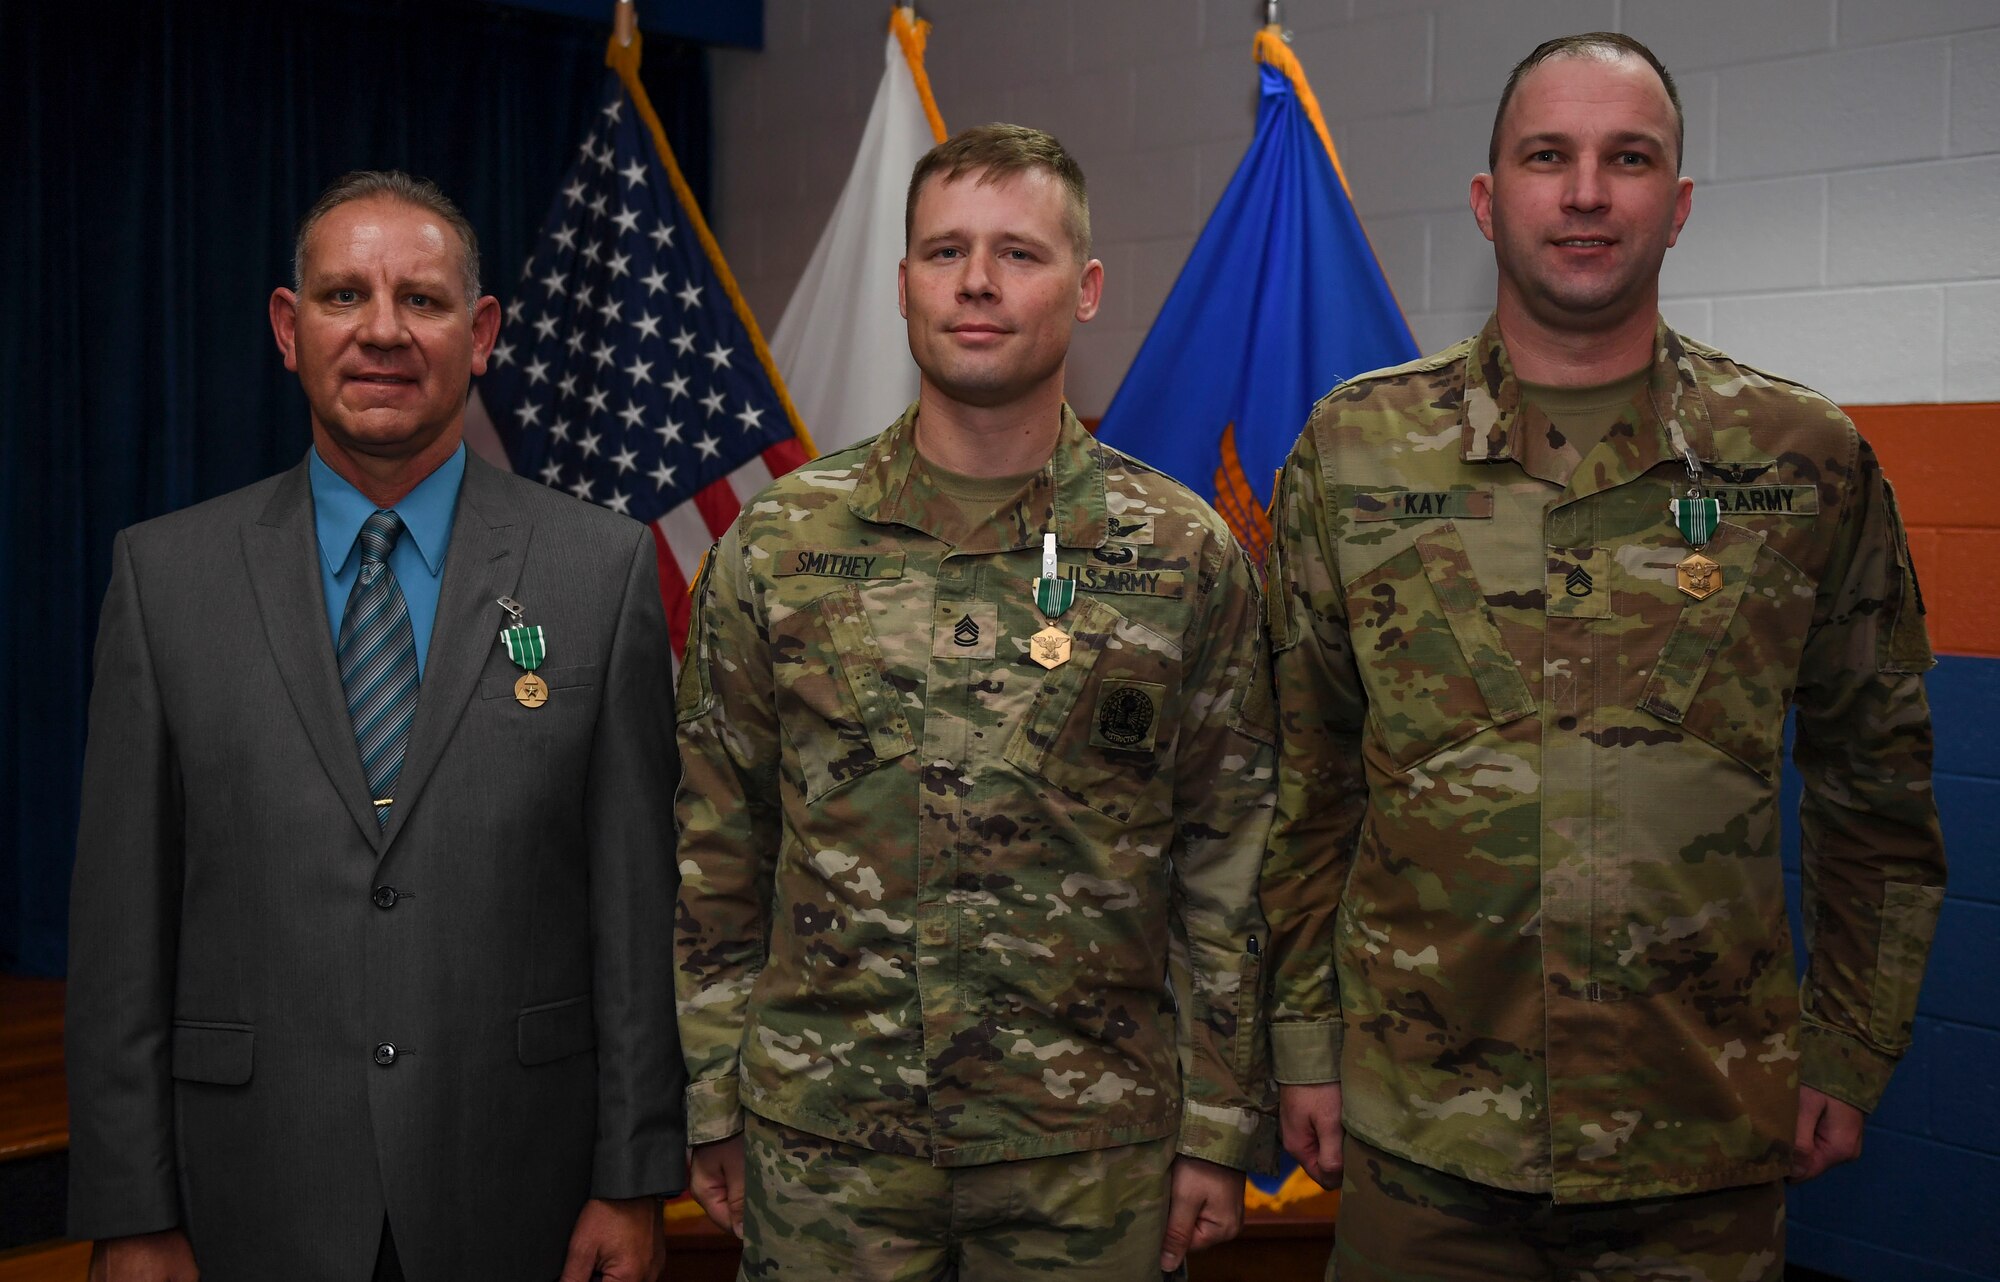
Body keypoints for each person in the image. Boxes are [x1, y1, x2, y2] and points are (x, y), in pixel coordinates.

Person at [1263, 33, 1947, 1281]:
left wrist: (1847, 1051)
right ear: (1487, 200)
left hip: (1701, 1141)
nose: (1584, 193)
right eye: (1547, 157)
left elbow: (1878, 793)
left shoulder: (1802, 461)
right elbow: (1299, 782)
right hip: (1424, 1144)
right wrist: (1301, 1042)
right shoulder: (1354, 451)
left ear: (1675, 207)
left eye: (1625, 160)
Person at [673, 124, 1277, 1278]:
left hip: (1091, 1155)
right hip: (826, 1148)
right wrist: (714, 1097)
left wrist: (1214, 1127)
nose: (979, 285)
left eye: (1020, 253)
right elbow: (717, 845)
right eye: (945, 252)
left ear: (1086, 287)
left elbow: (1226, 863)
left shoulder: (1180, 555)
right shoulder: (781, 544)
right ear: (902, 283)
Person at [66, 171, 685, 1282]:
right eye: (346, 296)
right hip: (246, 1189)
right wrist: (131, 1207)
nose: (384, 331)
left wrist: (630, 1176)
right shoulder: (165, 577)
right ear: (287, 328)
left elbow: (635, 908)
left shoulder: (603, 568)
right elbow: (120, 927)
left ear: (483, 332)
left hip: (521, 1188)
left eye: (425, 300)